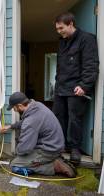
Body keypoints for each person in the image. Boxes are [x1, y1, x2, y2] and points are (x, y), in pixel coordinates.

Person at [52, 12, 99, 164]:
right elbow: (60, 67)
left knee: (74, 120)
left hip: (76, 88)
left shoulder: (87, 39)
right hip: (61, 87)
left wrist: (85, 85)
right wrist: (56, 83)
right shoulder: (62, 41)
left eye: (61, 28)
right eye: (57, 29)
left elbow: (91, 65)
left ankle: (74, 149)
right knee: (58, 117)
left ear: (71, 24)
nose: (59, 31)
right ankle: (59, 147)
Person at [0, 92, 76, 177]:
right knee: (21, 158)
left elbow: (24, 149)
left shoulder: (30, 121)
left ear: (20, 106)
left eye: (14, 108)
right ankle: (53, 159)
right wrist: (11, 126)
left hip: (48, 150)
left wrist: (17, 153)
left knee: (15, 165)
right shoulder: (37, 106)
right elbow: (27, 122)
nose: (14, 110)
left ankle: (54, 166)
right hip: (55, 145)